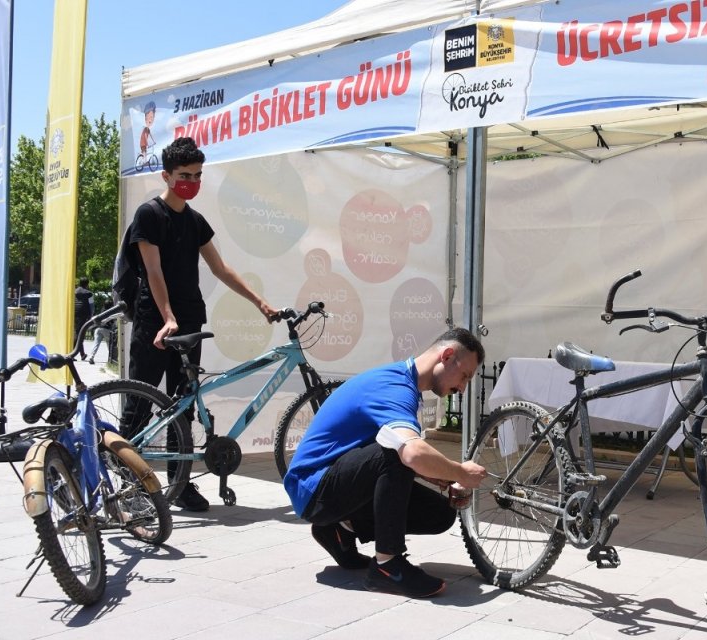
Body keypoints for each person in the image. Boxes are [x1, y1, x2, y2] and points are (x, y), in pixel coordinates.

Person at [122, 136, 278, 512]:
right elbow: (153, 270)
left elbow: (220, 268)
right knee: (139, 404)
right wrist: (167, 317)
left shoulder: (195, 220)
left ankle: (181, 483)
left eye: (197, 175)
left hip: (191, 322)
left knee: (185, 405)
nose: (191, 181)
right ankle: (126, 481)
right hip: (155, 323)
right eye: (184, 175)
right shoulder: (149, 215)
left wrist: (259, 301)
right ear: (166, 175)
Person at [283, 328, 489, 598]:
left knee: (440, 513)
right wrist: (460, 470)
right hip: (312, 487)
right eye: (465, 376)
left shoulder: (403, 382)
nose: (462, 388)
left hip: (331, 484)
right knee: (398, 451)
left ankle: (341, 529)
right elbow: (411, 454)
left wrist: (443, 476)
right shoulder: (395, 388)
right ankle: (387, 566)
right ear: (447, 356)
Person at [74, 277, 93, 342]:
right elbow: (92, 306)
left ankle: (79, 350)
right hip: (83, 314)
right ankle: (76, 347)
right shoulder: (89, 294)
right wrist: (91, 316)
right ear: (87, 284)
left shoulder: (73, 292)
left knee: (75, 331)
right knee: (80, 332)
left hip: (73, 313)